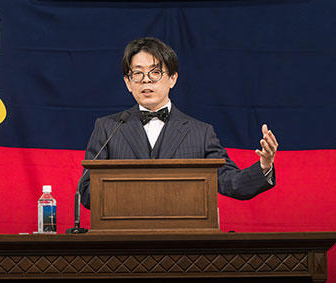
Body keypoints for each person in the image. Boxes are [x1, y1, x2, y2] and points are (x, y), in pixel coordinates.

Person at [79, 37, 278, 209]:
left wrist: (264, 166)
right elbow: (87, 192)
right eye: (137, 73)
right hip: (123, 235)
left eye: (155, 72)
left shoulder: (200, 133)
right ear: (128, 82)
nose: (146, 80)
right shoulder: (107, 128)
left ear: (173, 78)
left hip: (183, 238)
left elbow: (232, 183)